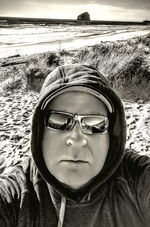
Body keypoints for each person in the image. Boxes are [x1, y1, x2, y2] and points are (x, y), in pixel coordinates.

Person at [0, 63, 150, 227]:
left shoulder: (136, 179)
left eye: (95, 123)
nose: (77, 139)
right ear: (39, 132)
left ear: (111, 137)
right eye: (59, 120)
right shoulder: (18, 193)